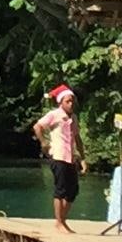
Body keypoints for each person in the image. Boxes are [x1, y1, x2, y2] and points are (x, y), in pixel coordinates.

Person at [32, 84, 83, 230]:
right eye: (68, 101)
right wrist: (44, 142)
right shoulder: (54, 114)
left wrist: (82, 158)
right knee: (61, 190)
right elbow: (37, 126)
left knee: (73, 190)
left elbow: (77, 138)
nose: (71, 104)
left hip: (70, 157)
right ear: (61, 102)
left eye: (72, 101)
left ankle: (62, 219)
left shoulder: (74, 117)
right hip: (59, 156)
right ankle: (59, 222)